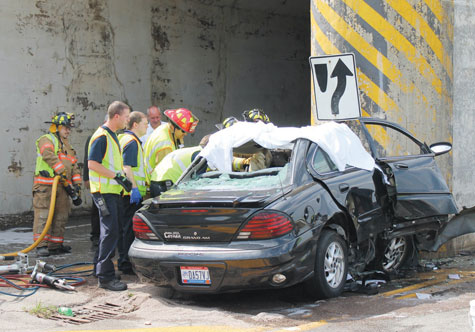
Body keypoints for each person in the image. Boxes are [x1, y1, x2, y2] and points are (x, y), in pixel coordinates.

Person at [88, 101, 132, 291]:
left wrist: (120, 178)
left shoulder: (112, 136)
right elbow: (92, 164)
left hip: (111, 191)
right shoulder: (102, 136)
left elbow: (108, 164)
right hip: (104, 192)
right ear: (116, 116)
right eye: (126, 117)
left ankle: (99, 270)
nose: (127, 120)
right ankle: (105, 278)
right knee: (110, 232)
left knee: (110, 231)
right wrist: (116, 176)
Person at [33, 112, 82, 257]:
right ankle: (41, 245)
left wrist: (77, 186)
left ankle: (55, 245)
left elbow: (74, 167)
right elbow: (48, 154)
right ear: (56, 127)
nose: (68, 130)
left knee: (61, 216)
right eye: (65, 127)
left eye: (69, 128)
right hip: (46, 186)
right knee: (43, 215)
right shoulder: (47, 139)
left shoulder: (68, 147)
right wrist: (60, 169)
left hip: (62, 187)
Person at [117, 111, 148, 274]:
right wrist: (134, 188)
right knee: (129, 230)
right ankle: (126, 263)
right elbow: (127, 167)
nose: (147, 126)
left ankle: (123, 261)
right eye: (145, 123)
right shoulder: (132, 141)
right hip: (129, 193)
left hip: (123, 192)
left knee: (123, 228)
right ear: (135, 125)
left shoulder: (123, 138)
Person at [143, 108, 199, 193]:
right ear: (174, 127)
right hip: (160, 183)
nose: (185, 134)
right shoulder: (165, 144)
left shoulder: (166, 129)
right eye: (183, 131)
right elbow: (165, 172)